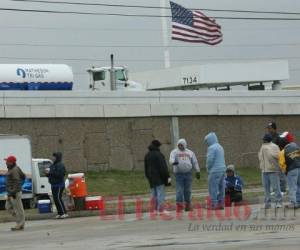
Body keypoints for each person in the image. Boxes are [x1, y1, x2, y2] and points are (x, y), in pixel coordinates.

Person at [169, 139, 200, 212]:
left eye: (181, 145)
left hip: (188, 174)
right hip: (178, 174)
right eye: (179, 145)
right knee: (179, 190)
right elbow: (171, 159)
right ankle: (179, 206)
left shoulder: (190, 152)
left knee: (188, 190)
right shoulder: (174, 152)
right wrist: (173, 162)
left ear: (184, 145)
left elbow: (195, 162)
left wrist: (197, 171)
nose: (180, 146)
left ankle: (188, 206)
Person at [144, 140, 171, 214]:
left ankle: (154, 210)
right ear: (158, 146)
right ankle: (161, 210)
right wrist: (167, 177)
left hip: (151, 177)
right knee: (160, 193)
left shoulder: (147, 155)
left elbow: (146, 168)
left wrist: (148, 177)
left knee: (153, 194)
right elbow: (163, 167)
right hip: (159, 177)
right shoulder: (159, 155)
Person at [258, 134, 282, 209]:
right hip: (264, 170)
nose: (263, 140)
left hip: (273, 170)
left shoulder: (274, 146)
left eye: (264, 139)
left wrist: (269, 153)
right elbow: (260, 157)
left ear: (267, 139)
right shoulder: (262, 146)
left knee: (276, 187)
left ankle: (279, 202)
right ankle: (267, 203)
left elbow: (278, 156)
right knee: (266, 188)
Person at [204, 132, 226, 210]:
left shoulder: (211, 148)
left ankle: (213, 204)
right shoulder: (220, 147)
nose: (206, 143)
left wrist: (208, 168)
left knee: (213, 188)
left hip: (215, 170)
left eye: (206, 141)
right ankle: (221, 204)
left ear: (209, 140)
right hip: (223, 169)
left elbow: (210, 160)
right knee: (221, 187)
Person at [5, 155, 26, 231]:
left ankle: (20, 224)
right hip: (11, 193)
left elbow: (17, 182)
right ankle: (19, 222)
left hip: (15, 193)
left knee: (18, 209)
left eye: (7, 161)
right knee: (8, 207)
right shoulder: (12, 169)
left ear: (11, 162)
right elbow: (23, 176)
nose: (6, 163)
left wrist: (14, 191)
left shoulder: (14, 170)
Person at [279, 137, 300, 209]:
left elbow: (282, 164)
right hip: (299, 168)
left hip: (291, 170)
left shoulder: (283, 152)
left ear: (281, 146)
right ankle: (298, 201)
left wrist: (285, 172)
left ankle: (293, 203)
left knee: (292, 187)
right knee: (298, 185)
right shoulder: (295, 146)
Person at [266, 122, 287, 194]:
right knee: (274, 176)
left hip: (280, 159)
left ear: (274, 129)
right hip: (272, 160)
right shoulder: (270, 138)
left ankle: (283, 190)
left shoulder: (279, 137)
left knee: (281, 175)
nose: (268, 130)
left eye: (270, 128)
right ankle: (275, 190)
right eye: (268, 128)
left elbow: (284, 148)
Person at [46, 152, 68, 219]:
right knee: (55, 199)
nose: (53, 158)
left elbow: (60, 175)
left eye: (54, 156)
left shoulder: (60, 165)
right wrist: (47, 174)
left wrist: (51, 173)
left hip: (59, 185)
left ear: (57, 157)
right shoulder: (52, 165)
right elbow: (51, 174)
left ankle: (64, 213)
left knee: (58, 198)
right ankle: (60, 213)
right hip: (53, 185)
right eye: (53, 156)